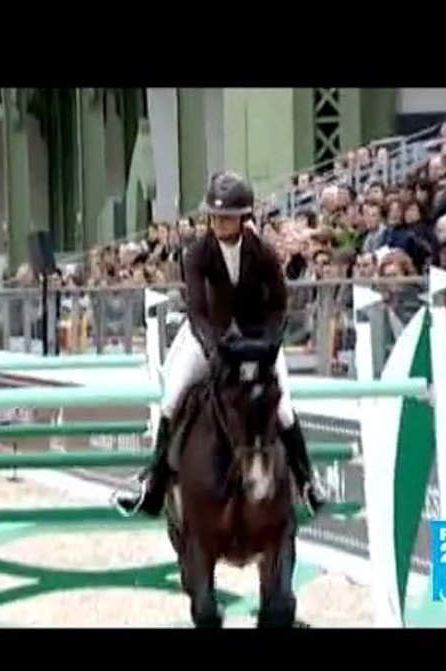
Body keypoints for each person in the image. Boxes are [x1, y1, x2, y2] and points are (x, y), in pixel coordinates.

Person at [113, 171, 328, 518]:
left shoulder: (263, 253)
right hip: (206, 336)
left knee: (284, 407)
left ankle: (307, 482)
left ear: (242, 218)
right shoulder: (197, 253)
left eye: (226, 217)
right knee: (171, 399)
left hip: (257, 339)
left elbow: (277, 305)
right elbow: (198, 310)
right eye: (214, 216)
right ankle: (152, 484)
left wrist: (268, 344)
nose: (218, 223)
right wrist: (216, 351)